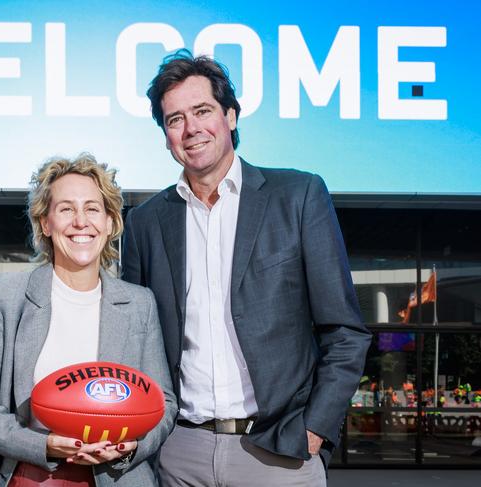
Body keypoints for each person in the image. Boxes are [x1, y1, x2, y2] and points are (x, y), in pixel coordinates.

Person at [121, 50, 372, 486]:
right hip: (181, 452)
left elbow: (345, 332)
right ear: (165, 137)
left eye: (203, 111)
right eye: (175, 119)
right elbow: (135, 340)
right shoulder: (144, 222)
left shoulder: (298, 195)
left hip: (279, 452)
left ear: (231, 116)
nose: (191, 128)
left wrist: (315, 429)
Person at [0, 154, 177, 487]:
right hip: (28, 477)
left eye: (92, 208)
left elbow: (164, 404)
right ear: (45, 222)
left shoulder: (138, 303)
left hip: (118, 478)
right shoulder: (7, 296)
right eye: (66, 209)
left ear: (111, 221)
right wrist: (40, 445)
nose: (81, 222)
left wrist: (128, 450)